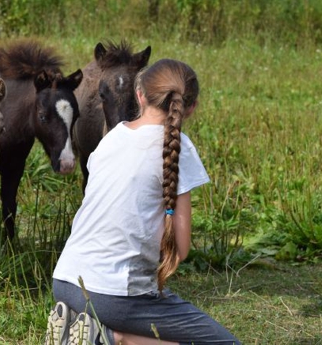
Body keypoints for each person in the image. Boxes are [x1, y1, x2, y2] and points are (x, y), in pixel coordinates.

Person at [45, 59, 240, 345]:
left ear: (139, 96)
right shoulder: (179, 148)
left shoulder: (112, 139)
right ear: (192, 107)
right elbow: (181, 248)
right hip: (113, 296)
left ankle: (102, 331)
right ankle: (108, 337)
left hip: (66, 282)